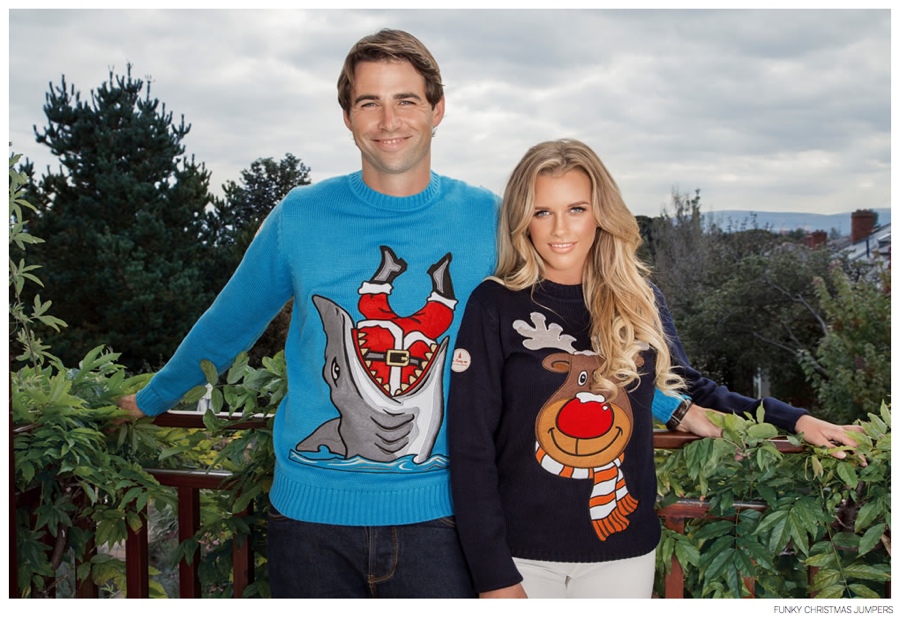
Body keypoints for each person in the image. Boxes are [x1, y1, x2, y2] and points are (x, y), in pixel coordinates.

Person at [117, 29, 501, 598]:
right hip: (311, 523)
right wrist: (152, 399)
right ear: (347, 116)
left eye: (406, 100)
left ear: (437, 109)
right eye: (368, 102)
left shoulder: (489, 218)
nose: (388, 120)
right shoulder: (300, 216)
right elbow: (230, 321)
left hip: (445, 519)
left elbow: (556, 321)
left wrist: (644, 390)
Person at [446, 138, 864, 599]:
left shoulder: (637, 298)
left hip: (623, 552)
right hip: (520, 556)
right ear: (522, 219)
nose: (559, 228)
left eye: (577, 209)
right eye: (542, 211)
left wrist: (796, 420)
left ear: (601, 213)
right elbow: (470, 446)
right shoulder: (494, 304)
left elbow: (692, 386)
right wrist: (494, 576)